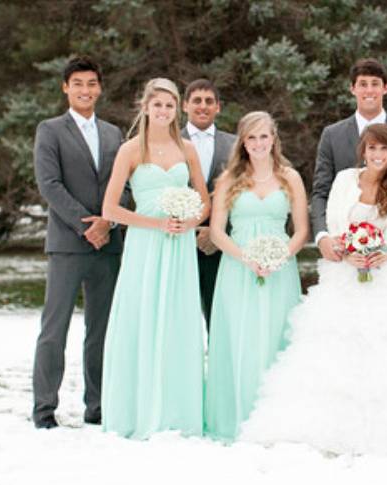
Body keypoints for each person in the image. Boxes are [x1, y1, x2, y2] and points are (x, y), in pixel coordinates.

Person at [240, 124, 387, 456]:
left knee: (384, 349)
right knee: (336, 347)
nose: (377, 155)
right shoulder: (344, 180)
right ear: (363, 150)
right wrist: (344, 247)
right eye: (372, 148)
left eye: (384, 149)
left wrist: (386, 250)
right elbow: (334, 222)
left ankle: (384, 430)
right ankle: (326, 427)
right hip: (345, 273)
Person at [101, 77, 210, 439]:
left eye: (169, 105)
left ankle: (176, 409)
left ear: (177, 110)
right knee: (143, 317)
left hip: (179, 247)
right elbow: (110, 208)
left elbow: (205, 200)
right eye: (157, 104)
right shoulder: (131, 150)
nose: (163, 110)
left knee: (177, 320)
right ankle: (138, 409)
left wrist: (189, 222)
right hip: (145, 246)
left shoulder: (187, 149)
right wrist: (155, 222)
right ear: (146, 107)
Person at [31, 56, 126, 429]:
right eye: (78, 84)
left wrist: (109, 221)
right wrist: (85, 224)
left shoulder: (114, 134)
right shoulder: (50, 129)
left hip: (109, 245)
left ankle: (97, 405)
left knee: (101, 330)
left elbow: (123, 184)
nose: (85, 90)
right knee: (54, 329)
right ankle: (43, 408)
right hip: (68, 244)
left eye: (91, 83)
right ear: (65, 88)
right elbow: (49, 184)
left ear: (99, 88)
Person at [203, 111, 308, 441]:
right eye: (252, 137)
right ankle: (238, 414)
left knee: (278, 337)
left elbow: (302, 230)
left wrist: (279, 256)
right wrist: (246, 257)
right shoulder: (229, 180)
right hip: (238, 268)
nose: (259, 143)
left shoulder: (290, 177)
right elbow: (218, 232)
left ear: (274, 139)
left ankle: (278, 419)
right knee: (241, 337)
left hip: (280, 269)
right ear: (243, 142)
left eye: (265, 136)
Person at [311, 58, 387, 263]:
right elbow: (321, 192)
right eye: (363, 84)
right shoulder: (332, 135)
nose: (369, 90)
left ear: (385, 88)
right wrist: (322, 237)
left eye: (375, 84)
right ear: (352, 89)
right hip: (344, 254)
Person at [181, 79, 236, 329]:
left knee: (219, 318)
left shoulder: (236, 145)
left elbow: (242, 192)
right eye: (197, 101)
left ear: (218, 107)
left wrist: (216, 232)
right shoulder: (167, 142)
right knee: (180, 319)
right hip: (177, 240)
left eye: (209, 101)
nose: (203, 106)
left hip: (221, 245)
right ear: (184, 106)